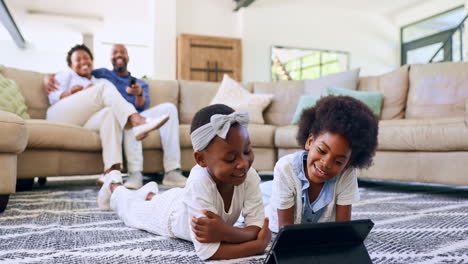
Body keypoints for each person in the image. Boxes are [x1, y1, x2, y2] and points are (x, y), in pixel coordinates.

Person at [97, 104, 271, 260]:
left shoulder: (250, 176)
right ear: (201, 159)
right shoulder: (199, 181)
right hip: (166, 215)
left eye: (247, 152)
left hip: (182, 199)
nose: (243, 164)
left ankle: (150, 195)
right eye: (231, 158)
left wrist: (225, 232)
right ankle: (113, 184)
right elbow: (209, 252)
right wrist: (257, 245)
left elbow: (257, 228)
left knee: (170, 198)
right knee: (130, 210)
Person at [45, 44, 186, 188]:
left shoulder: (98, 80)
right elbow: (53, 95)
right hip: (60, 115)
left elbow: (141, 104)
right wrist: (68, 91)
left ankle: (111, 172)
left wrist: (138, 94)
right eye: (78, 59)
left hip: (86, 119)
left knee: (111, 113)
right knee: (105, 88)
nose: (83, 62)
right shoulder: (67, 75)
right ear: (70, 65)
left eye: (86, 58)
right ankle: (137, 120)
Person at [262, 95, 379, 233]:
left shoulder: (347, 174)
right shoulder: (286, 168)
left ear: (348, 163)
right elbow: (285, 230)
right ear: (310, 141)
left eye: (339, 161)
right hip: (273, 217)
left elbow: (343, 229)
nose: (326, 163)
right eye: (322, 150)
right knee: (260, 196)